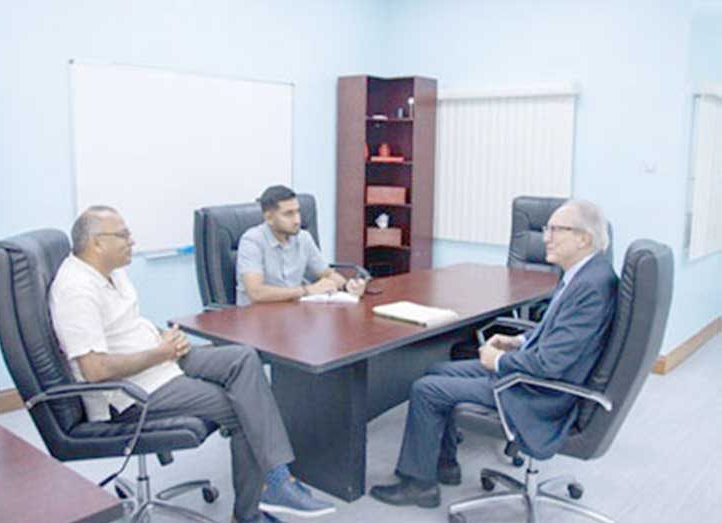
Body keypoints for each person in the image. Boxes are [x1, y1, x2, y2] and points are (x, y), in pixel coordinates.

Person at [49, 206, 336, 523]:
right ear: (96, 243)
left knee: (243, 356)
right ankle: (255, 507)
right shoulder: (76, 290)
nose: (132, 241)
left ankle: (276, 479)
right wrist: (162, 352)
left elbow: (125, 328)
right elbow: (95, 370)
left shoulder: (111, 272)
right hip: (134, 391)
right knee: (244, 408)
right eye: (123, 235)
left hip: (158, 359)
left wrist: (165, 338)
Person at [369, 199, 618, 508]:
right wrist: (519, 341)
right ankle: (443, 465)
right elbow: (560, 336)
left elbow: (552, 362)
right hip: (535, 373)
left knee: (426, 389)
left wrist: (498, 360)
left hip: (539, 391)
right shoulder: (586, 274)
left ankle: (419, 485)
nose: (545, 237)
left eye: (556, 230)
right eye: (546, 229)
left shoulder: (591, 286)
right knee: (437, 371)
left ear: (584, 238)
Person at [236, 185, 366, 306]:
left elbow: (327, 274)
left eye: (297, 212)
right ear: (269, 218)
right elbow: (256, 293)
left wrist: (347, 286)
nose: (297, 220)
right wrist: (307, 290)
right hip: (255, 319)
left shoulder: (303, 238)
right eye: (289, 214)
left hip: (292, 314)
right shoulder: (252, 241)